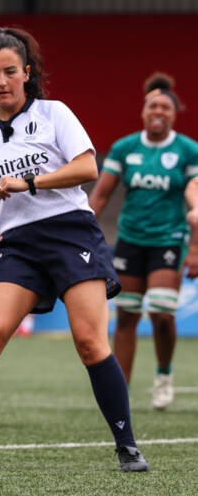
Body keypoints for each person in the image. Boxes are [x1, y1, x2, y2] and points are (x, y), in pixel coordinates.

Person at [0, 26, 148, 471]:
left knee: (89, 342)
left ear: (27, 72)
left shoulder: (53, 113)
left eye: (10, 71)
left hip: (70, 234)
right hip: (18, 244)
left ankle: (127, 445)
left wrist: (30, 181)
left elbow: (87, 167)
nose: (2, 81)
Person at [88, 72, 198, 410]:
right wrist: (83, 231)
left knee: (162, 314)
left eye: (165, 108)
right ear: (143, 111)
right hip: (130, 240)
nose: (158, 112)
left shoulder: (187, 150)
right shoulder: (125, 148)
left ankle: (163, 376)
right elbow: (101, 196)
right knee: (126, 316)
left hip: (169, 239)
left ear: (174, 115)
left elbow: (194, 194)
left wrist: (195, 247)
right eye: (153, 106)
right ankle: (120, 392)